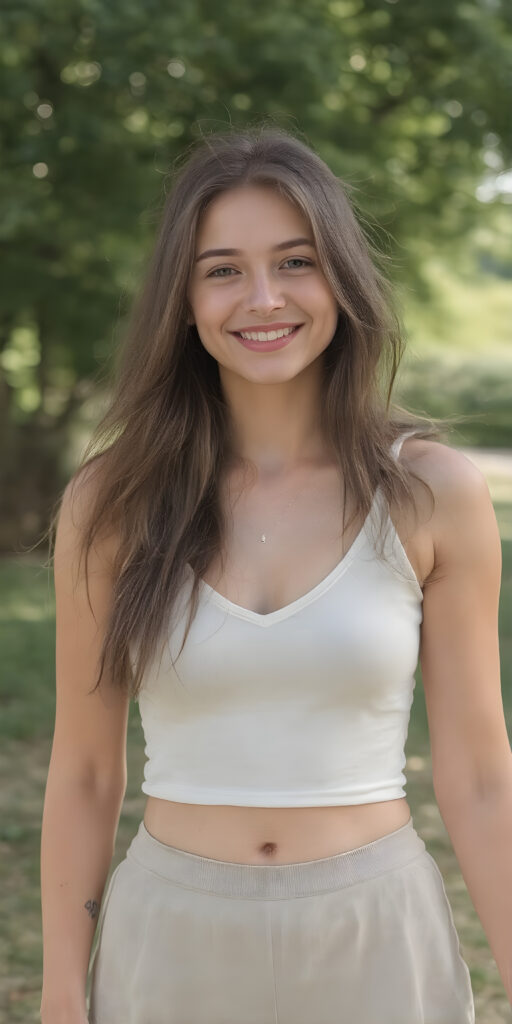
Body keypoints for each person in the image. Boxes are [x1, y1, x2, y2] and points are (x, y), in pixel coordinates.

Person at [41, 122, 508, 1023]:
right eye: (223, 269)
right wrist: (63, 993)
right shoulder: (111, 502)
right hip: (170, 938)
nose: (263, 297)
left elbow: (481, 775)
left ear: (342, 277)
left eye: (296, 261)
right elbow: (87, 770)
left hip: (376, 934)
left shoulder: (430, 493)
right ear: (183, 299)